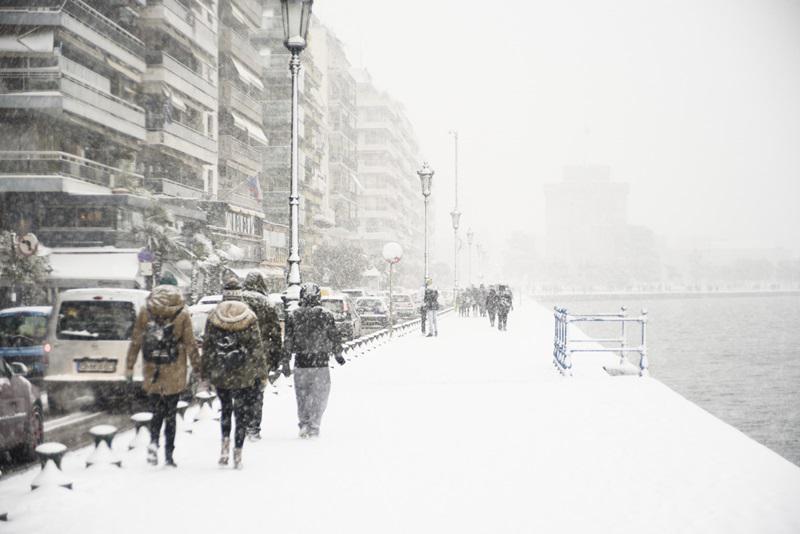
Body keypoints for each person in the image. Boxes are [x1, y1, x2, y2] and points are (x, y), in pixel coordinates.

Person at [125, 284, 198, 467]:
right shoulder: (182, 313)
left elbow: (136, 341)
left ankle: (153, 443)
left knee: (156, 411)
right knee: (171, 414)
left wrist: (129, 366)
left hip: (153, 369)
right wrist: (198, 367)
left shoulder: (146, 311)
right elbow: (190, 344)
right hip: (174, 369)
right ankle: (169, 455)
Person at [201, 298, 268, 469]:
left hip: (222, 372)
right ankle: (237, 453)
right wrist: (261, 374)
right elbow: (257, 349)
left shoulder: (215, 316)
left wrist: (206, 373)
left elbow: (208, 347)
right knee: (241, 415)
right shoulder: (249, 317)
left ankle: (224, 448)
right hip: (243, 374)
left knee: (225, 410)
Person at [222, 274, 283, 441]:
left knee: (240, 392)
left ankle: (241, 422)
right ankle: (253, 427)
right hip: (259, 357)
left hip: (238, 356)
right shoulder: (267, 303)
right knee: (256, 393)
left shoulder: (236, 302)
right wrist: (276, 356)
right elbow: (275, 333)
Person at [283, 283, 345, 438]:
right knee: (320, 396)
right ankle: (315, 423)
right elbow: (334, 336)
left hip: (301, 363)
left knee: (302, 395)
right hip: (320, 363)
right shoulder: (326, 315)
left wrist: (285, 360)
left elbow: (288, 340)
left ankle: (304, 423)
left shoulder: (293, 315)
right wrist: (338, 354)